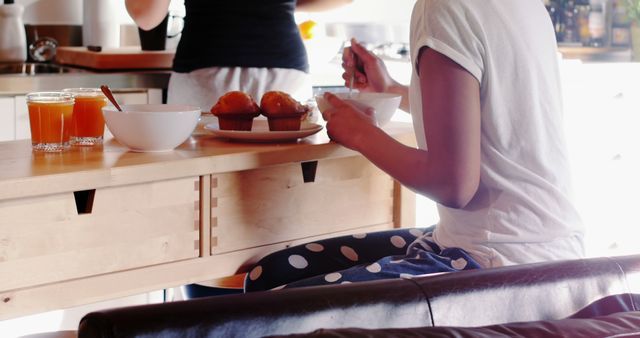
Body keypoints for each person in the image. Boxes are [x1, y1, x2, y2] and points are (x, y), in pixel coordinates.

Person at [243, 0, 585, 291]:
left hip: (495, 260)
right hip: (555, 253)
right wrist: (391, 88)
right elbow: (490, 113)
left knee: (273, 296)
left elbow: (453, 185)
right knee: (275, 272)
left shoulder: (443, 8)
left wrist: (361, 133)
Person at [125, 0, 352, 112]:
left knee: (198, 189)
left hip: (206, 74)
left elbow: (147, 16)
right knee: (281, 183)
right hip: (285, 73)